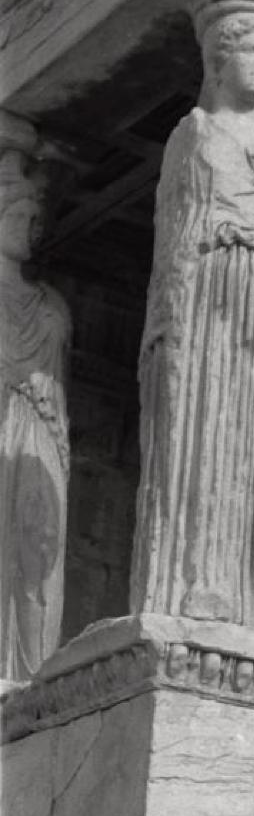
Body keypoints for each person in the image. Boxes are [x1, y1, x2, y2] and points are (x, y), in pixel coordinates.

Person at [130, 0, 254, 630]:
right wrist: (167, 336)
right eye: (250, 48)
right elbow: (173, 236)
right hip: (208, 298)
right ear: (217, 56)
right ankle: (204, 591)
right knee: (209, 432)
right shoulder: (195, 136)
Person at [0, 147, 70, 680]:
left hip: (41, 427)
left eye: (33, 219)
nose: (30, 228)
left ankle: (28, 675)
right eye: (16, 217)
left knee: (40, 541)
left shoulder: (51, 302)